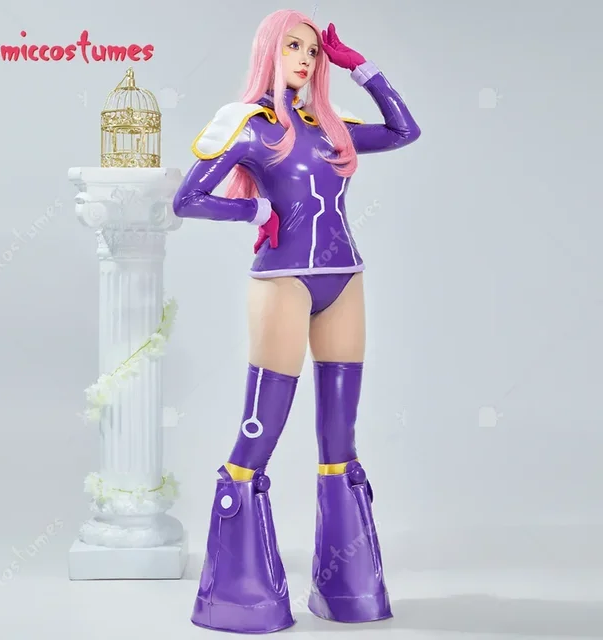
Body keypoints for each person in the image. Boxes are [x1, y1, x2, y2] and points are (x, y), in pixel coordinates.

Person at [173, 8, 421, 634]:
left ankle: (347, 591)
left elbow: (404, 130)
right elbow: (187, 198)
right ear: (269, 50)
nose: (306, 59)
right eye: (293, 46)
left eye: (313, 50)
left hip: (345, 279)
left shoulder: (328, 125)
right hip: (283, 280)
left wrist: (360, 66)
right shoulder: (248, 125)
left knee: (341, 444)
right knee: (260, 437)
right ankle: (238, 597)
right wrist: (255, 213)